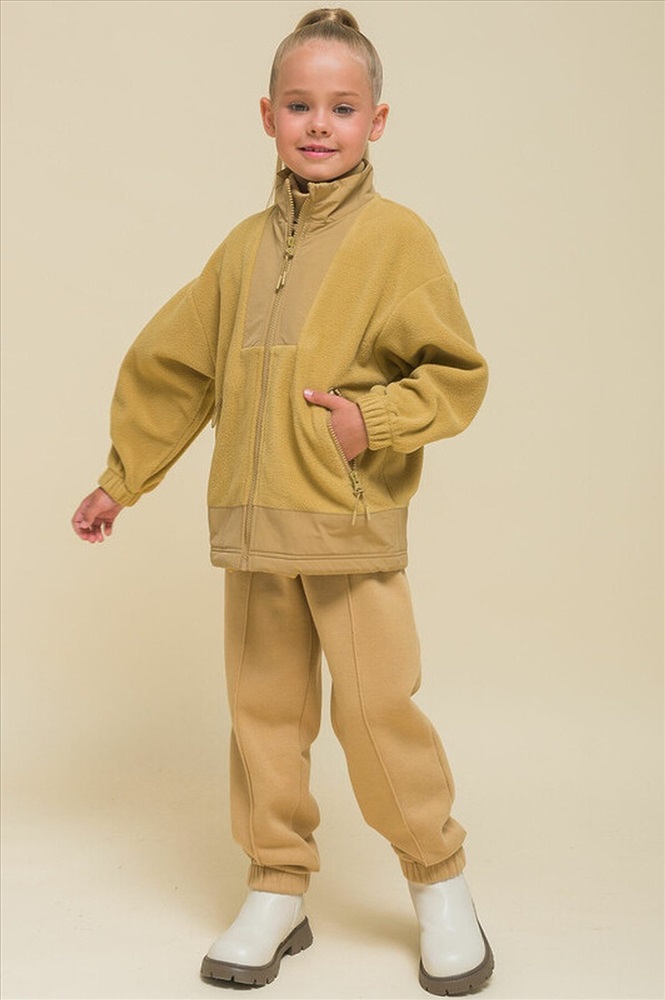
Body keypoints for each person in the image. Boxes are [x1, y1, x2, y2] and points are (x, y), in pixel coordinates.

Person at [71, 7, 494, 996]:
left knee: (376, 714)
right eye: (299, 105)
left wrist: (370, 421)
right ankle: (275, 883)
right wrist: (121, 478)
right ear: (266, 116)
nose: (318, 124)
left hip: (346, 525)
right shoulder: (240, 251)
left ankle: (439, 881)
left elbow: (454, 375)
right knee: (262, 716)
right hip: (254, 531)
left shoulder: (396, 241)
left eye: (341, 107)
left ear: (376, 121)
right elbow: (176, 368)